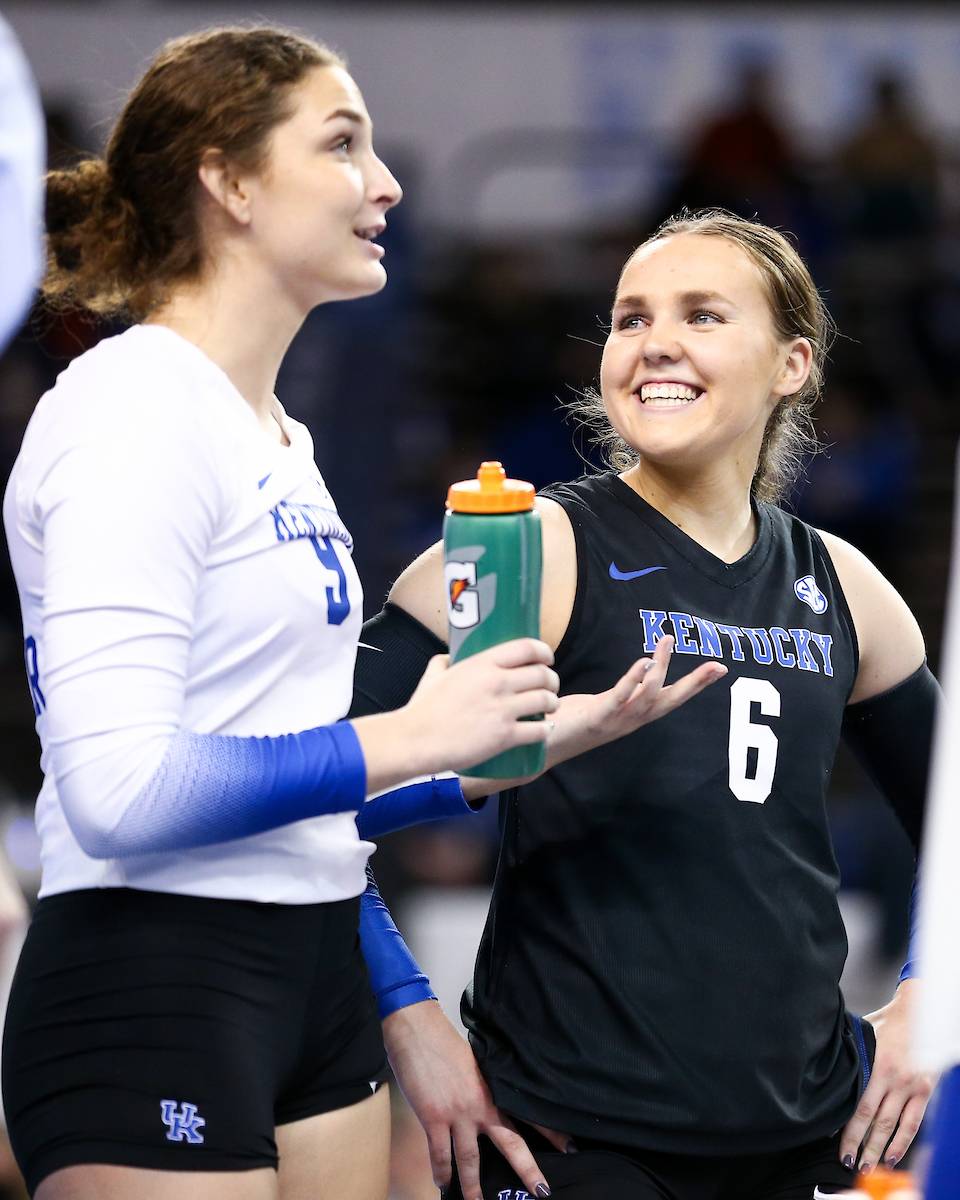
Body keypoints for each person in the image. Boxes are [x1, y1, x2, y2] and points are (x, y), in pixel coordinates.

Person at [0, 27, 573, 1200]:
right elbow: (122, 793)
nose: (389, 184)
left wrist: (478, 761)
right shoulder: (134, 410)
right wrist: (416, 731)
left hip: (315, 971)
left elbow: (294, 785)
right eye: (343, 144)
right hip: (154, 972)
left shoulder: (277, 438)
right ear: (231, 179)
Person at [351, 212, 938, 1200]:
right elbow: (305, 794)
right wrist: (408, 1017)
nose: (654, 341)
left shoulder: (845, 586)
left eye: (703, 315)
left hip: (797, 1137)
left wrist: (929, 1001)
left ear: (792, 364)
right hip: (571, 1142)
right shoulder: (525, 546)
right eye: (630, 319)